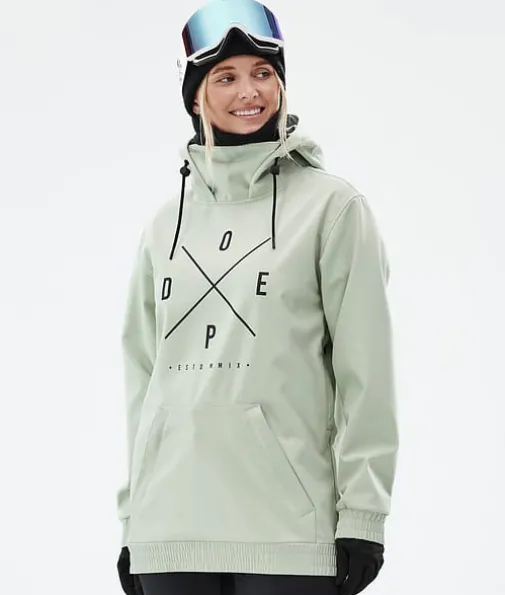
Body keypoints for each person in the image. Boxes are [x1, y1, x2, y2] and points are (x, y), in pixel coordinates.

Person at [115, 1, 400, 594]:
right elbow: (142, 380)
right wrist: (132, 522)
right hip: (169, 531)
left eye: (263, 73)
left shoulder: (332, 210)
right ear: (195, 98)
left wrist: (364, 516)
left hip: (287, 533)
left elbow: (365, 374)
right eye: (225, 77)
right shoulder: (163, 226)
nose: (249, 91)